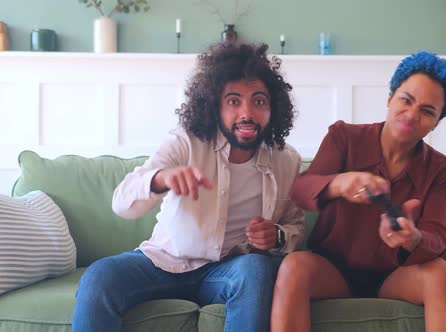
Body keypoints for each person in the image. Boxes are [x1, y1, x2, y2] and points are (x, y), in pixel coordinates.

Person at [72, 42, 304, 332]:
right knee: (99, 276)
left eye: (258, 101)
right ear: (215, 106)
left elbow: (295, 225)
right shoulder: (186, 141)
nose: (247, 113)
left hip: (227, 271)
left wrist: (278, 236)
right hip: (162, 263)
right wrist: (161, 179)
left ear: (273, 109)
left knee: (256, 269)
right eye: (234, 101)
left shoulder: (287, 160)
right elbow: (122, 201)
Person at [271, 51, 446, 332]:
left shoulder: (443, 170)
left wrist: (413, 237)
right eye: (406, 100)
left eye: (427, 111)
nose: (412, 115)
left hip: (396, 276)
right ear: (390, 99)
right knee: (293, 267)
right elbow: (301, 190)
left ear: (437, 121)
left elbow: (438, 239)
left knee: (440, 275)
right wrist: (339, 184)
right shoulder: (344, 137)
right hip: (333, 270)